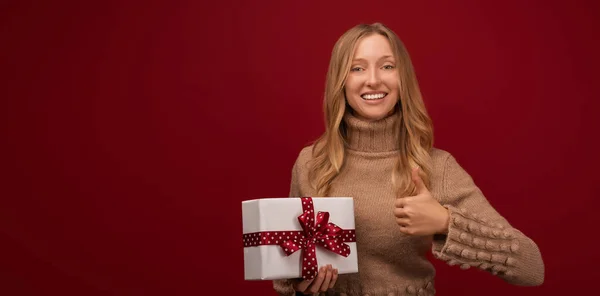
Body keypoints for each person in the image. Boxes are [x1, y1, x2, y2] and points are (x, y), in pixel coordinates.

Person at [272, 22, 544, 296]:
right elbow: (287, 272)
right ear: (340, 80)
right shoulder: (311, 163)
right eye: (358, 68)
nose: (374, 79)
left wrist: (445, 223)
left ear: (403, 78)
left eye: (387, 66)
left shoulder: (435, 166)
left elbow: (531, 267)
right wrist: (301, 288)